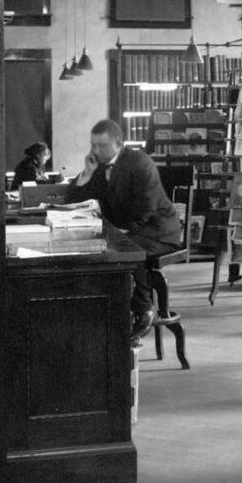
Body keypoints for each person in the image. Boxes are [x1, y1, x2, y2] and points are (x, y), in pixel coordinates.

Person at [64, 119, 183, 340]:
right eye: (93, 145)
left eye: (101, 146)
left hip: (157, 230)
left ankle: (144, 308)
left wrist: (119, 233)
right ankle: (109, 311)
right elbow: (72, 201)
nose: (95, 151)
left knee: (123, 250)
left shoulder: (139, 162)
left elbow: (145, 207)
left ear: (118, 144)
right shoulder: (97, 165)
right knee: (99, 249)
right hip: (124, 229)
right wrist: (87, 175)